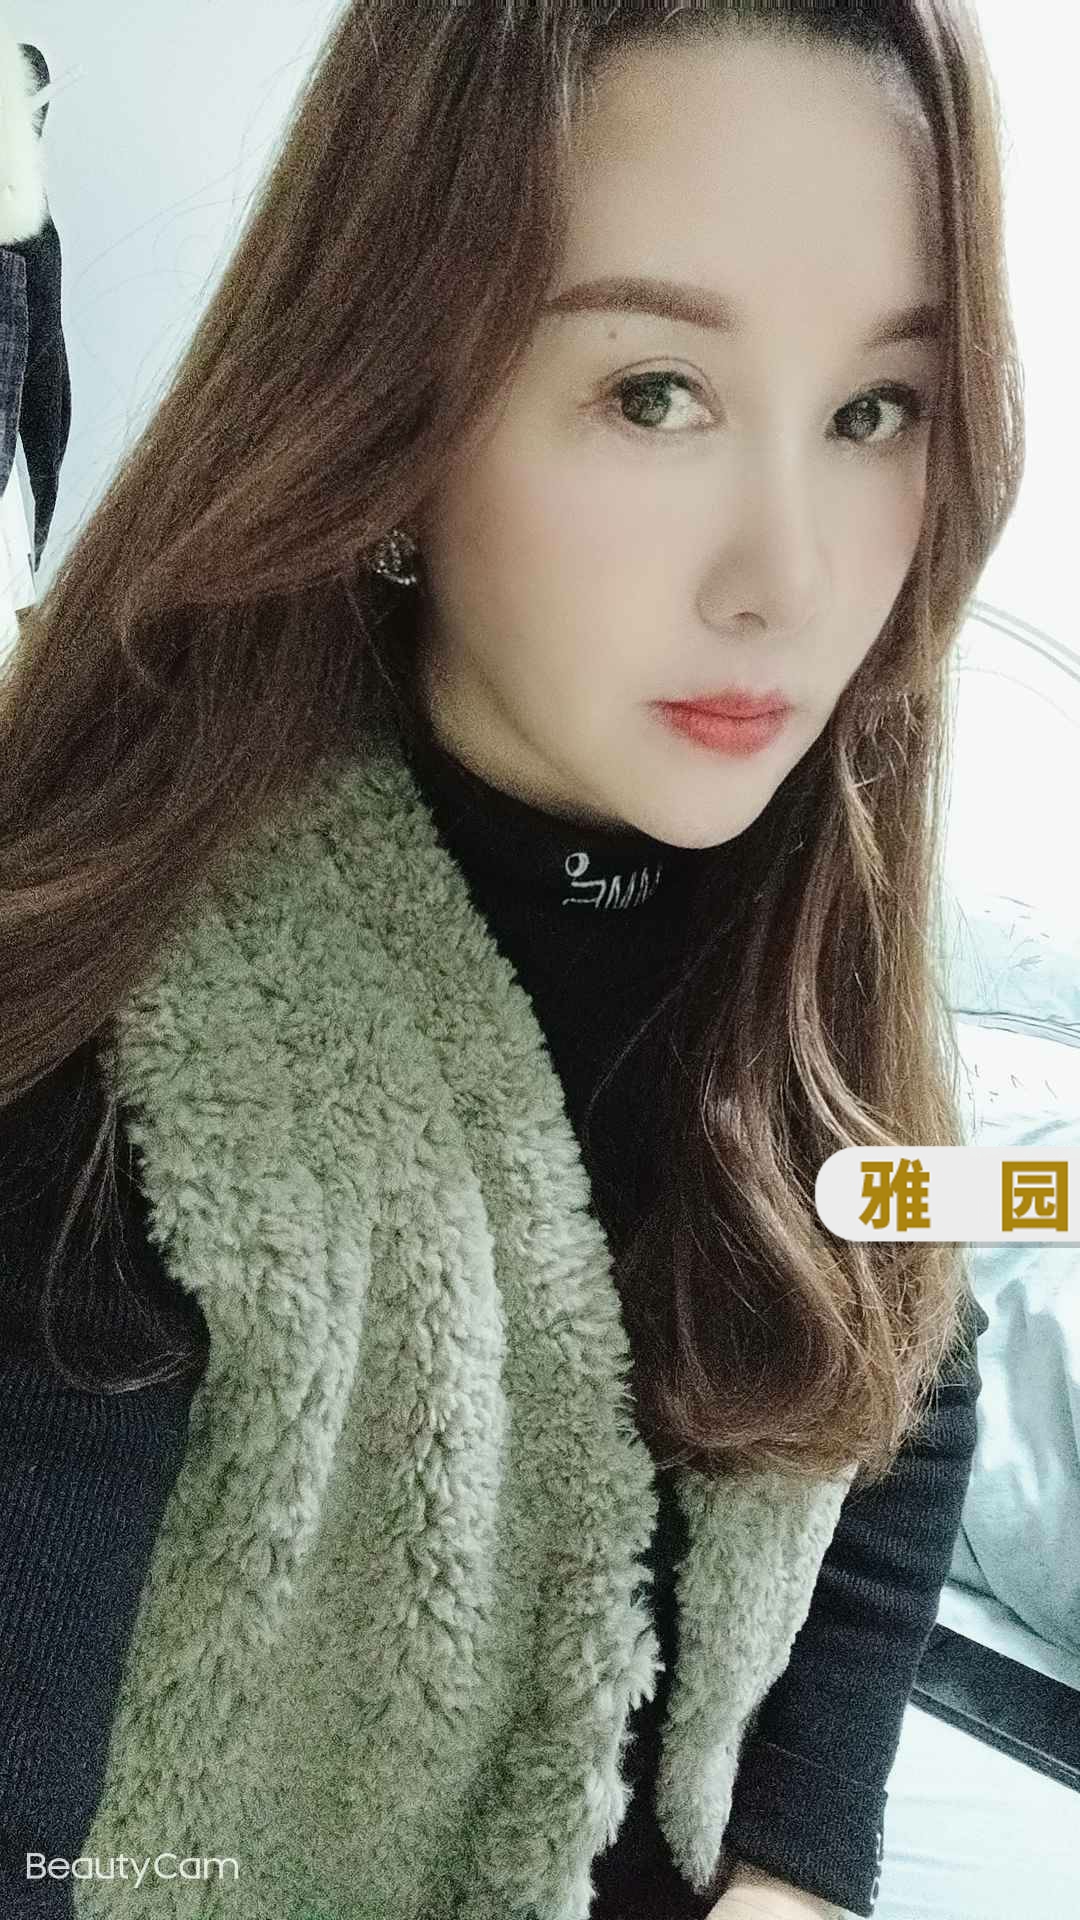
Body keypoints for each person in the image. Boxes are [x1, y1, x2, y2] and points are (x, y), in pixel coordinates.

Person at [0, 3, 1019, 1917]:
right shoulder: (124, 1055)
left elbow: (920, 1301)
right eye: (656, 393)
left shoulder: (829, 901)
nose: (790, 580)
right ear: (392, 409)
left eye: (876, 409)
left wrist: (805, 1858)